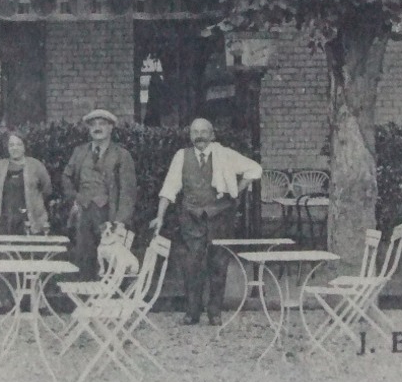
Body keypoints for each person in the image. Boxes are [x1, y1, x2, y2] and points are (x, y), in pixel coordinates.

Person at [152, 117, 262, 325]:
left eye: (204, 132)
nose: (200, 136)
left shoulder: (225, 155)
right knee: (192, 264)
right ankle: (192, 312)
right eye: (195, 132)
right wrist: (159, 216)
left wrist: (236, 190)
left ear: (212, 135)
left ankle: (215, 312)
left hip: (220, 217)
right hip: (191, 217)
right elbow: (169, 188)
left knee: (219, 263)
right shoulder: (181, 156)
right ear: (190, 135)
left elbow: (255, 169)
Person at [62, 108, 136, 281]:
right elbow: (66, 176)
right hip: (83, 213)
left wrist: (121, 221)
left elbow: (128, 191)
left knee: (111, 261)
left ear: (111, 128)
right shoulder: (80, 152)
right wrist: (75, 197)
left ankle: (109, 304)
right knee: (84, 256)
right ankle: (86, 300)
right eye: (93, 124)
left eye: (102, 124)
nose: (97, 127)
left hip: (108, 214)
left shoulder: (122, 155)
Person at [0, 131, 52, 237]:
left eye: (19, 144)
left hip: (29, 222)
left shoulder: (36, 165)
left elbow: (47, 190)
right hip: (4, 221)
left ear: (24, 146)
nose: (15, 148)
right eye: (11, 145)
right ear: (7, 147)